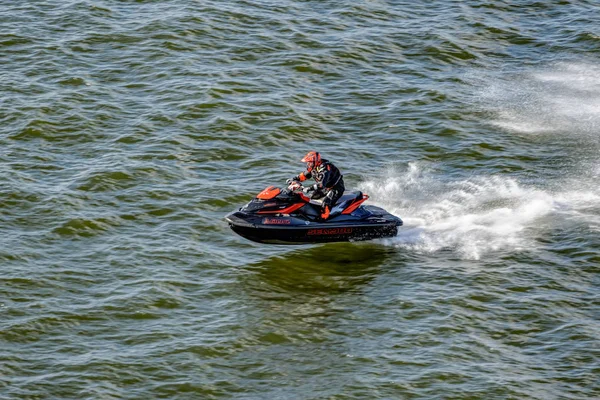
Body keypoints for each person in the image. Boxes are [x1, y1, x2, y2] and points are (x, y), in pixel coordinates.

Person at [287, 151, 345, 220]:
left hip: (336, 188)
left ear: (316, 161)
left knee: (325, 204)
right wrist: (292, 179)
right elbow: (303, 176)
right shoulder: (313, 168)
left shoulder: (325, 169)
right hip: (326, 188)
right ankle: (310, 214)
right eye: (308, 162)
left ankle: (323, 220)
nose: (308, 164)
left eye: (310, 162)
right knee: (310, 198)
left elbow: (321, 184)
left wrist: (308, 188)